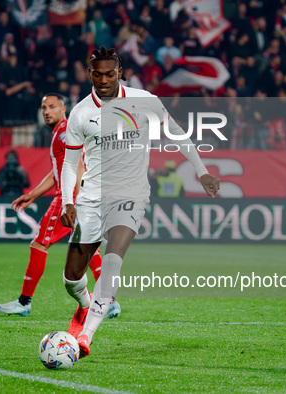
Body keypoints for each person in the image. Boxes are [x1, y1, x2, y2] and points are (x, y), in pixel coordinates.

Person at [60, 46, 220, 358]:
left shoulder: (144, 101)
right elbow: (69, 163)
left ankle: (85, 339)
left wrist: (201, 172)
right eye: (97, 74)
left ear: (119, 72)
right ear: (88, 73)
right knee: (70, 278)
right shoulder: (80, 113)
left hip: (131, 196)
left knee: (112, 259)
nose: (103, 79)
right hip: (91, 199)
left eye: (109, 73)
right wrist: (69, 202)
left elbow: (176, 133)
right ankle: (83, 305)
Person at [0, 93, 121, 319]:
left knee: (39, 244)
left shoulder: (63, 132)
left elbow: (79, 164)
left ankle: (24, 302)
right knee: (90, 248)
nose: (46, 111)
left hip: (67, 199)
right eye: (43, 107)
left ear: (63, 108)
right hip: (80, 196)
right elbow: (57, 173)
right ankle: (109, 301)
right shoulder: (63, 132)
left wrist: (75, 201)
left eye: (52, 107)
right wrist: (32, 194)